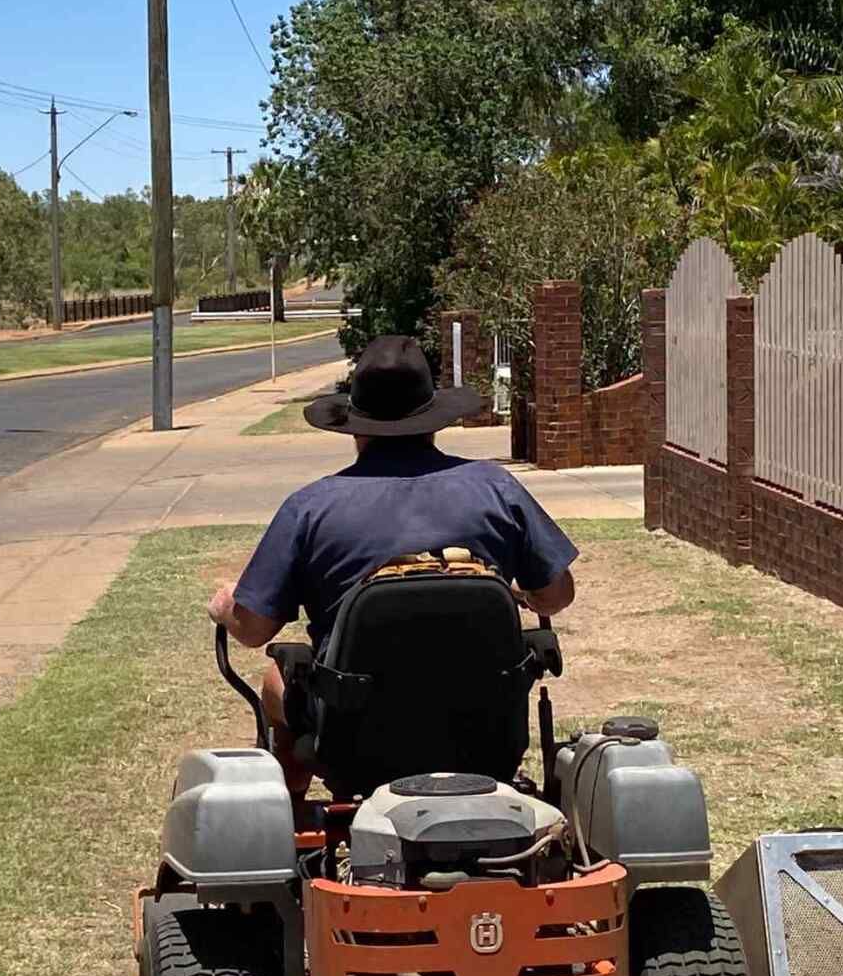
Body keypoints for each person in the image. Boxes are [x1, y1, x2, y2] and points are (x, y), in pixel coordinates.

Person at [208, 335, 578, 795]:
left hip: (356, 739)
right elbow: (558, 594)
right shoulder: (496, 488)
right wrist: (520, 593)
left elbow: (253, 629)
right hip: (486, 733)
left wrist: (225, 605)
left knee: (274, 677)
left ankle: (292, 818)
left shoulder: (310, 508)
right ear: (433, 422)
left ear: (356, 427)